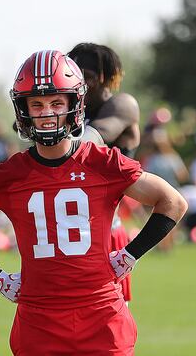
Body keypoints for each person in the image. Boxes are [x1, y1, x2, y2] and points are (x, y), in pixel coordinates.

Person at [0, 50, 187, 355]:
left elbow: (172, 201)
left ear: (74, 106)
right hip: (39, 319)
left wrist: (129, 255)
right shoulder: (11, 175)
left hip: (101, 313)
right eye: (36, 104)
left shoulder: (101, 162)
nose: (47, 112)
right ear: (23, 109)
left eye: (56, 103)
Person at [68, 43, 142, 304]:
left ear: (103, 77)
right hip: (67, 233)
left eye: (84, 76)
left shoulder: (122, 105)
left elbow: (90, 140)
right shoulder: (71, 112)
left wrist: (49, 130)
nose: (78, 84)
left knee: (109, 325)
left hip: (105, 233)